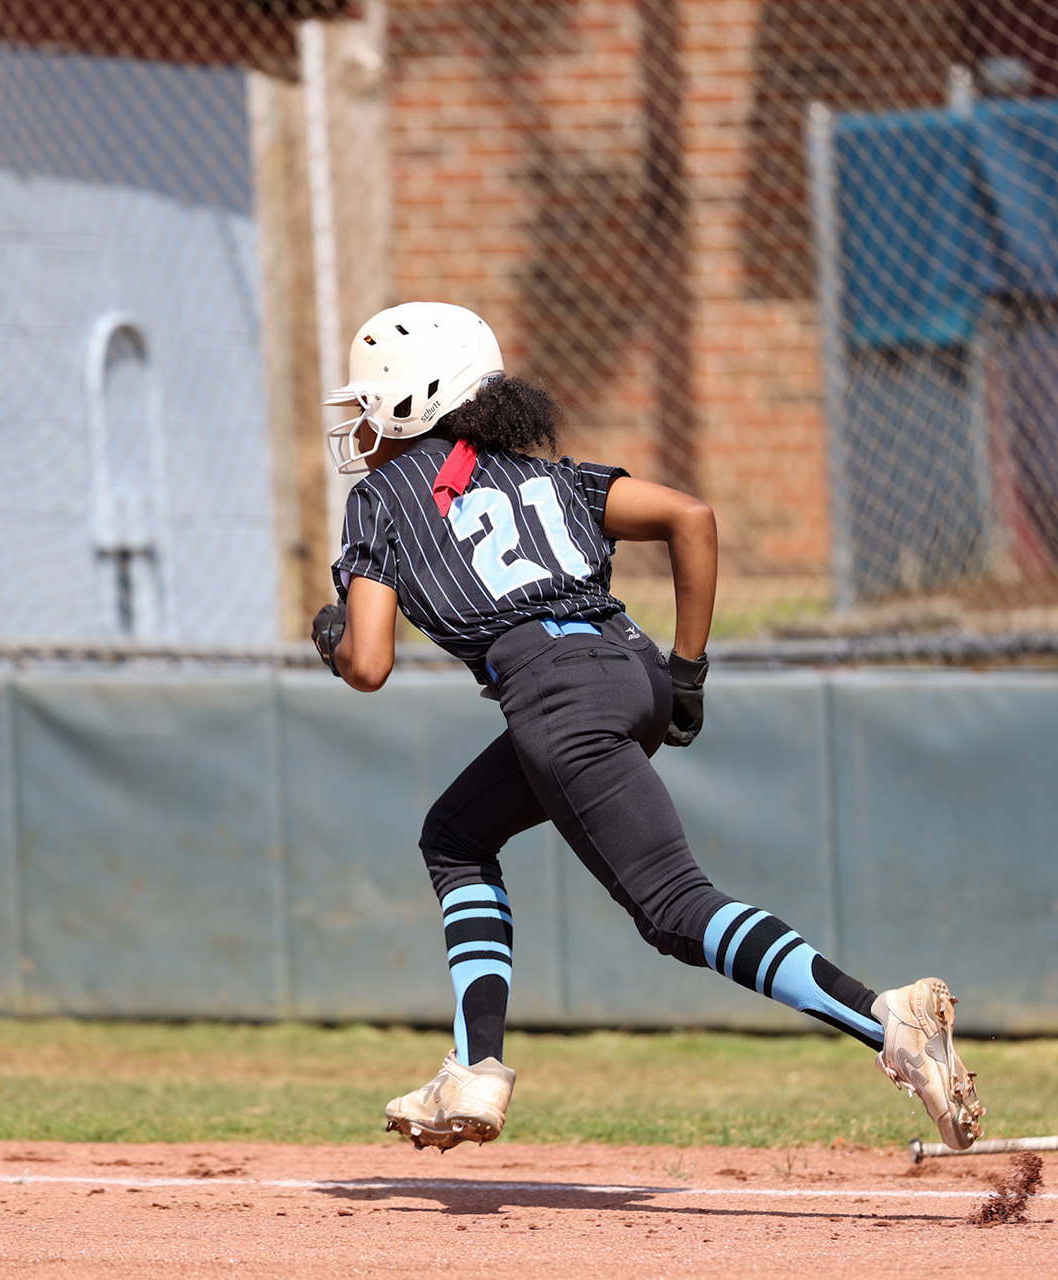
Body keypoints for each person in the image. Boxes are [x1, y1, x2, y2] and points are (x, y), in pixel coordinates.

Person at [309, 303, 983, 1153]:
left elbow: (369, 664)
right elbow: (690, 517)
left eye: (373, 400)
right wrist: (687, 673)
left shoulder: (381, 498)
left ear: (419, 401)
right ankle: (471, 1064)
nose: (363, 422)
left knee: (675, 910)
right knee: (454, 834)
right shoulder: (546, 473)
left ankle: (886, 1017)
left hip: (556, 699)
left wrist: (333, 635)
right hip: (629, 670)